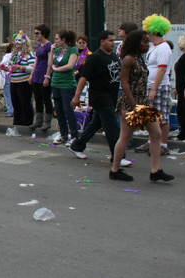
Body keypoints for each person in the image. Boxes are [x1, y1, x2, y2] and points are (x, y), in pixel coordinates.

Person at [110, 30, 174, 182]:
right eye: (145, 42)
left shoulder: (140, 58)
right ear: (136, 43)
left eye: (148, 41)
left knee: (156, 133)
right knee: (125, 137)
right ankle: (115, 170)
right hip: (130, 102)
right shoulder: (128, 59)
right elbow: (124, 83)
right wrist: (133, 104)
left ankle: (155, 170)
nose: (148, 44)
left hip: (142, 102)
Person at [68, 30, 132, 167]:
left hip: (112, 96)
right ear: (102, 41)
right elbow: (84, 77)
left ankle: (77, 145)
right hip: (101, 98)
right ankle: (118, 156)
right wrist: (77, 96)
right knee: (112, 127)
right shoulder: (95, 58)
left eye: (114, 40)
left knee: (96, 124)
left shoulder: (114, 57)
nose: (113, 43)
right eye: (110, 40)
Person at [135, 15, 173, 156]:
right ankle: (153, 142)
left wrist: (154, 89)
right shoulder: (154, 48)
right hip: (151, 85)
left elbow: (162, 70)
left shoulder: (163, 48)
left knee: (162, 117)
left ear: (152, 30)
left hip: (160, 86)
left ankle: (163, 144)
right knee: (152, 117)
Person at [48, 29, 80, 144]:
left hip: (67, 84)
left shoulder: (73, 50)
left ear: (64, 39)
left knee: (68, 110)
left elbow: (70, 65)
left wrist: (56, 69)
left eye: (57, 39)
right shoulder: (57, 50)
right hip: (56, 83)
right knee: (59, 110)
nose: (55, 41)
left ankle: (75, 135)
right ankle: (63, 134)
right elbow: (50, 63)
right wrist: (51, 51)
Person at [28, 24, 54, 130]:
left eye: (37, 33)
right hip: (37, 75)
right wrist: (32, 75)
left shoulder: (49, 46)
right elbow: (36, 61)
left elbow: (50, 62)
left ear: (43, 33)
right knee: (37, 98)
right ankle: (38, 120)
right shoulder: (39, 46)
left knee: (46, 98)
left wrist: (47, 76)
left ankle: (47, 121)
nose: (35, 35)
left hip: (44, 74)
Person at [9, 31, 35, 127]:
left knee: (25, 104)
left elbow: (32, 68)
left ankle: (27, 123)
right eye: (16, 40)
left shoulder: (29, 55)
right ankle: (17, 123)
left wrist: (20, 67)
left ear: (25, 42)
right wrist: (6, 68)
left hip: (24, 82)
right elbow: (12, 67)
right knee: (16, 104)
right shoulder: (14, 54)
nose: (17, 42)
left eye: (20, 40)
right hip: (13, 81)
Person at [0, 43, 15, 117]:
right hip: (14, 76)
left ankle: (10, 110)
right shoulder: (16, 55)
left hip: (7, 76)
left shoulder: (7, 56)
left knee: (8, 95)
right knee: (13, 94)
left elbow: (2, 64)